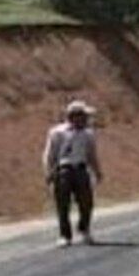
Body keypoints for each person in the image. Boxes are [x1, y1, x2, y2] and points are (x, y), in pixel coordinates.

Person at [42, 100, 103, 247]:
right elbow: (50, 154)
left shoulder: (88, 134)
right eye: (83, 116)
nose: (86, 119)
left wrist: (97, 171)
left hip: (81, 169)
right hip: (64, 170)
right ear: (74, 116)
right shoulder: (57, 132)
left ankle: (84, 229)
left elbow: (91, 154)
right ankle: (65, 235)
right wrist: (49, 172)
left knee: (86, 202)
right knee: (62, 203)